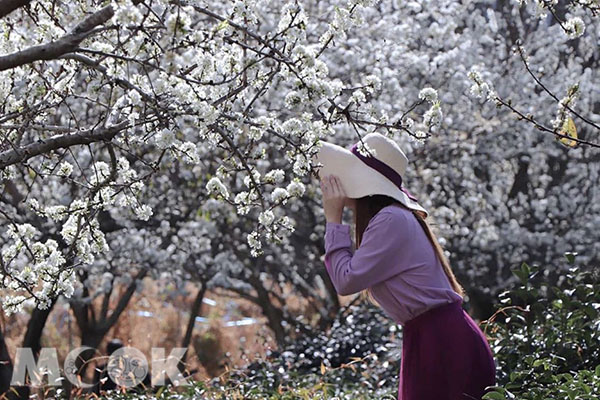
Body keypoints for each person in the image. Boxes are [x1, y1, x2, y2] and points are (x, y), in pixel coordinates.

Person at [311, 132, 496, 400]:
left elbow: (345, 281)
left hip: (441, 341)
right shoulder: (393, 217)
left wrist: (333, 218)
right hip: (434, 337)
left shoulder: (390, 219)